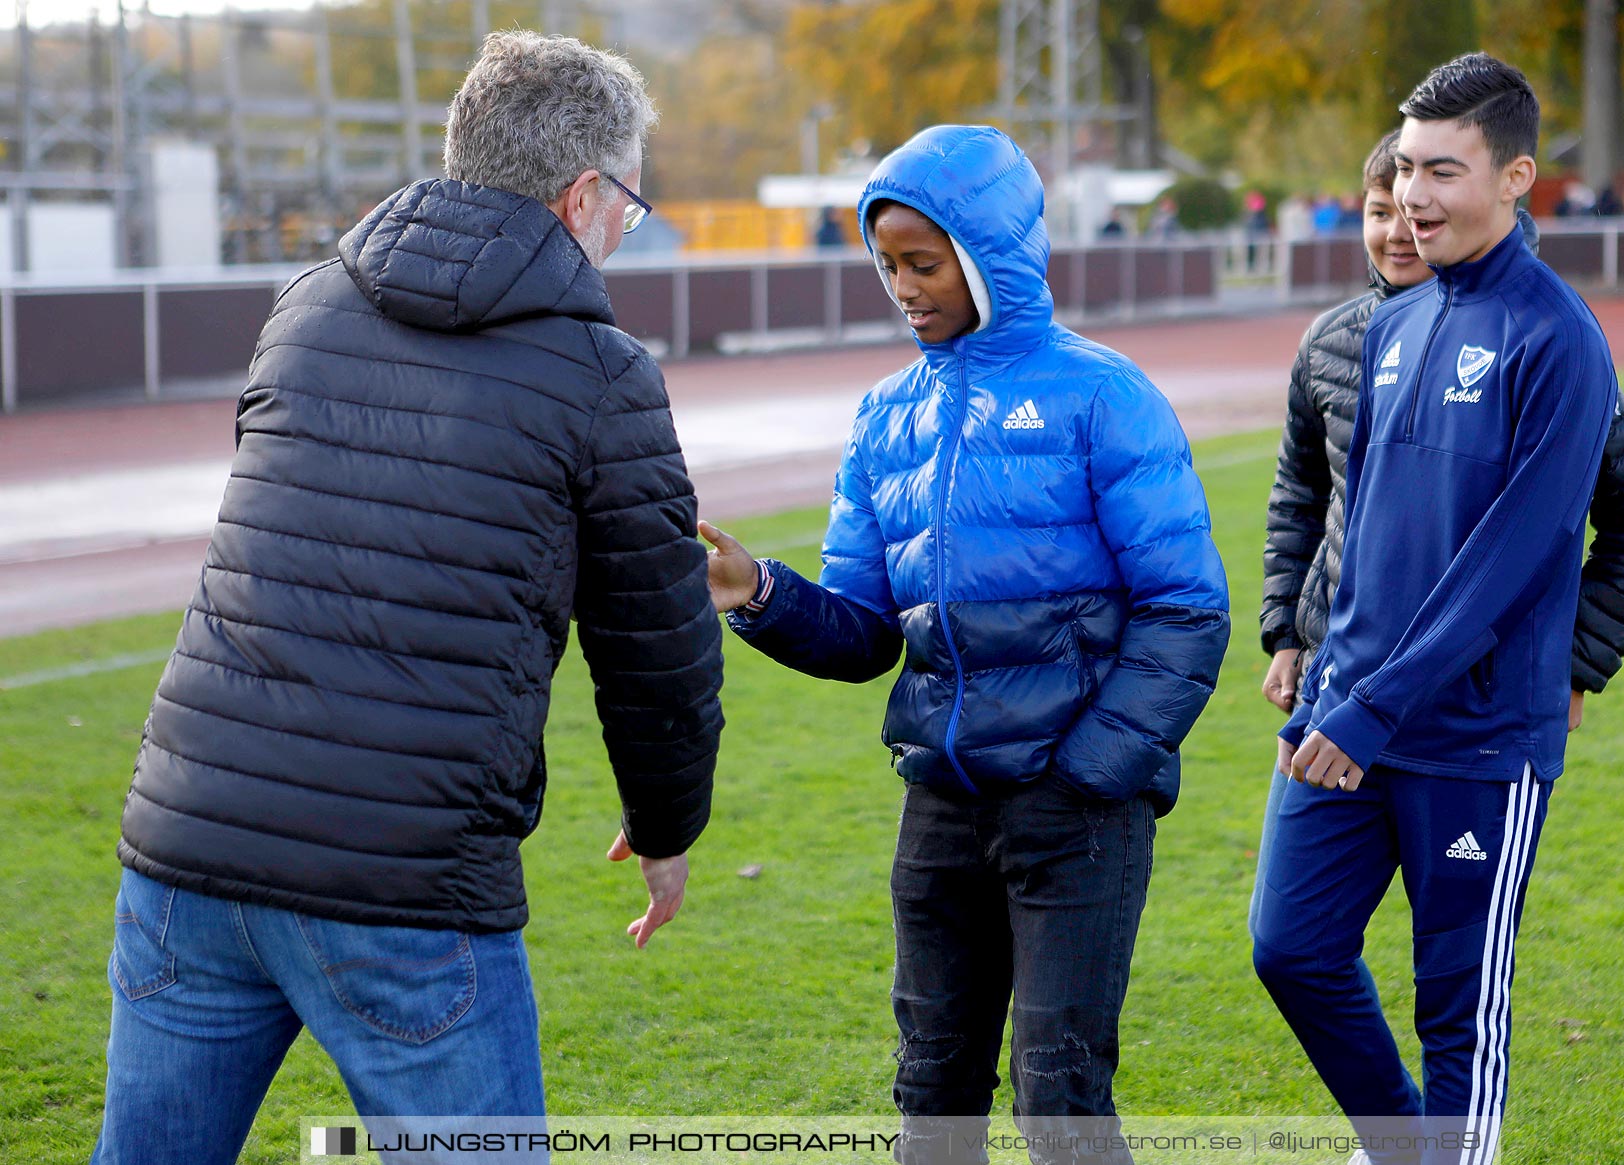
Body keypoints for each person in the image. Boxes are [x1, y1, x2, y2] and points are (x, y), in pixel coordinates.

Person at [91, 32, 724, 1165]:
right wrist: (669, 826)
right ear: (584, 194)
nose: (630, 225)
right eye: (631, 198)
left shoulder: (305, 306)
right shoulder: (603, 374)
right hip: (404, 879)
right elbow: (655, 638)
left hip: (187, 844)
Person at [699, 125, 1230, 1164]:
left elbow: (1186, 609)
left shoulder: (1104, 395)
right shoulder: (885, 418)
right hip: (940, 809)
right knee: (932, 1094)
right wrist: (754, 591)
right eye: (887, 264)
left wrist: (1087, 772)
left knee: (1059, 1101)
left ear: (993, 252)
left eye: (924, 263)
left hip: (1075, 811)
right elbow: (862, 634)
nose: (903, 286)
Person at [1251, 54, 1624, 1165]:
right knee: (1291, 948)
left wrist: (1370, 707)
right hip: (1345, 719)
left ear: (1516, 176)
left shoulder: (1558, 338)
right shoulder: (1396, 322)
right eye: (1407, 168)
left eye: (1444, 171)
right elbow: (1363, 533)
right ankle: (1408, 1148)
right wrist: (1324, 686)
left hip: (1471, 738)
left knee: (1455, 1010)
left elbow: (1510, 560)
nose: (1414, 197)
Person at [1251, 130, 1624, 933]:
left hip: (1470, 709)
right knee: (1289, 945)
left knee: (1454, 973)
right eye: (1381, 208)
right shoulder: (1335, 343)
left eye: (1419, 199)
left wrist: (1574, 658)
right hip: (1338, 688)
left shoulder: (1545, 343)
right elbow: (1304, 497)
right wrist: (1287, 630)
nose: (1398, 228)